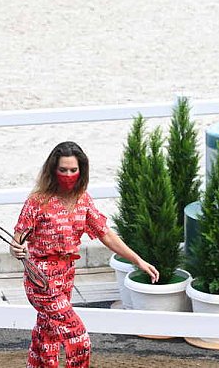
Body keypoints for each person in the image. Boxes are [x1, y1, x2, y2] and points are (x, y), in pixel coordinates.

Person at [9, 141, 159, 368]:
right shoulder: (36, 202)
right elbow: (17, 241)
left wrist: (138, 260)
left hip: (67, 277)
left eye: (73, 170)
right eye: (63, 170)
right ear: (53, 170)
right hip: (41, 280)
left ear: (81, 171)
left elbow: (106, 234)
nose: (68, 174)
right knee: (79, 339)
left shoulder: (83, 200)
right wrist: (16, 248)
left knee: (46, 335)